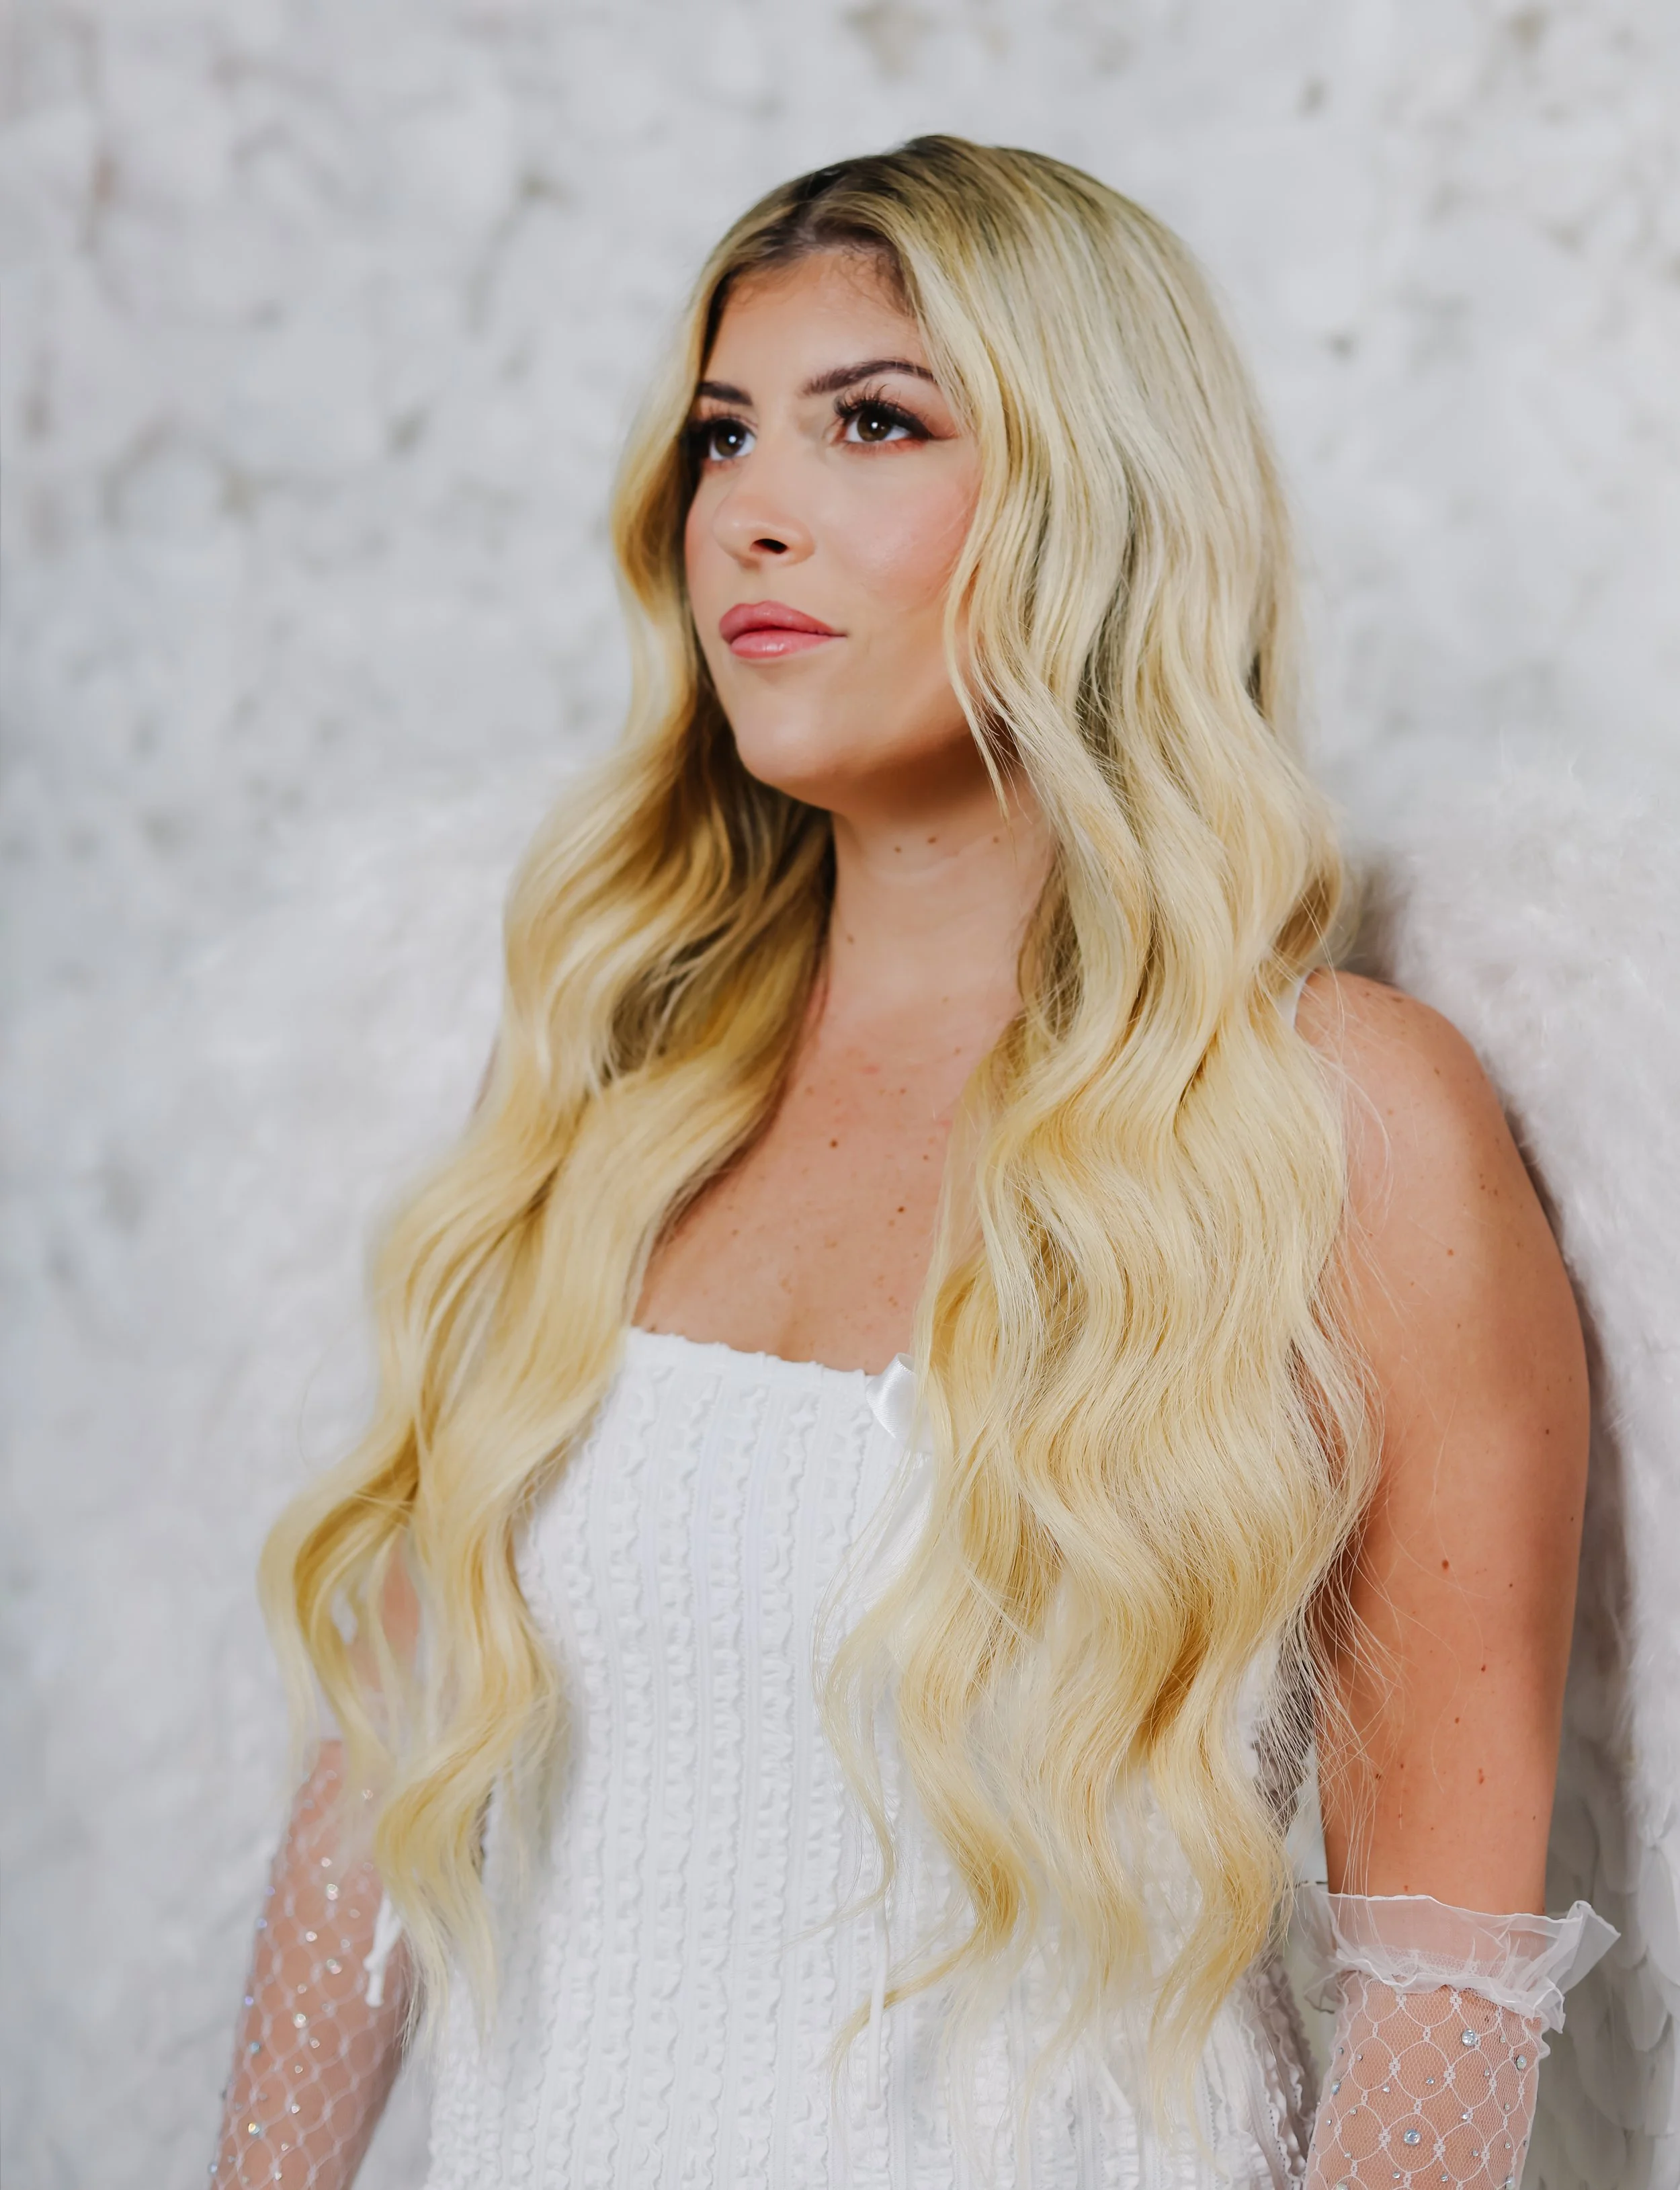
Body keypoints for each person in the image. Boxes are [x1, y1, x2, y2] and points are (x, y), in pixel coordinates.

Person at [208, 136, 1611, 2189]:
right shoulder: (621, 1103)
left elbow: (1444, 1989)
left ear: (1095, 495)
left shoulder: (1335, 1124)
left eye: (870, 422)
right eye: (718, 440)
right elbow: (380, 1804)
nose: (748, 516)